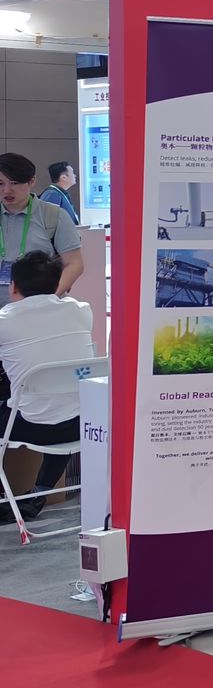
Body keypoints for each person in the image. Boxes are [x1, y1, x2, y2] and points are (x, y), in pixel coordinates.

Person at [0, 251, 98, 520]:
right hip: (79, 425)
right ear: (57, 284)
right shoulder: (81, 311)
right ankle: (39, 492)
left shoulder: (5, 321)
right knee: (64, 403)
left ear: (13, 287)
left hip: (31, 428)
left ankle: (7, 495)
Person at [0, 154, 83, 296]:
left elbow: (74, 264)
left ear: (32, 181)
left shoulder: (54, 215)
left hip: (39, 304)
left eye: (15, 182)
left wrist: (49, 299)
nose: (7, 190)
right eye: (0, 183)